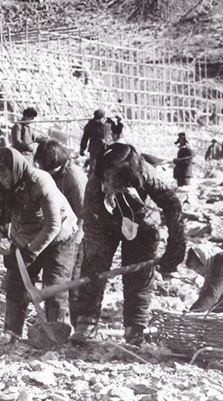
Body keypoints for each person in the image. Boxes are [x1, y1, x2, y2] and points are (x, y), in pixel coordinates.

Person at [0, 147, 79, 343]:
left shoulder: (39, 182)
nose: (2, 180)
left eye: (5, 175)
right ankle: (12, 332)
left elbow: (53, 225)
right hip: (25, 235)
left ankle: (55, 336)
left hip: (59, 237)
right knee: (15, 284)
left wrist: (30, 253)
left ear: (16, 170)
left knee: (54, 286)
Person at [72, 143, 186, 346]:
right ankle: (86, 322)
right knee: (93, 268)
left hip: (143, 223)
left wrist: (175, 246)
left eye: (115, 177)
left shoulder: (146, 174)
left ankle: (135, 328)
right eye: (107, 175)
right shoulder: (94, 184)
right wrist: (95, 256)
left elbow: (172, 204)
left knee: (139, 277)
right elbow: (91, 221)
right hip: (106, 224)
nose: (110, 181)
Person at [34, 139, 87, 325]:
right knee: (52, 280)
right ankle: (53, 322)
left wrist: (76, 243)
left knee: (71, 281)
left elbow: (85, 215)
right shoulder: (46, 174)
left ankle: (74, 325)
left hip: (76, 234)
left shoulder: (74, 177)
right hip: (56, 232)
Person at [186, 246, 223, 312]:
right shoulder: (216, 263)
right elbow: (212, 288)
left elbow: (213, 293)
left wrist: (193, 312)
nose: (198, 271)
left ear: (203, 261)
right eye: (195, 269)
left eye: (197, 267)